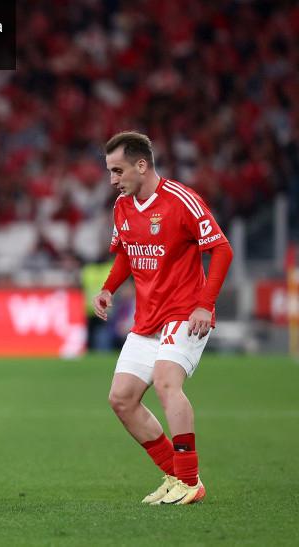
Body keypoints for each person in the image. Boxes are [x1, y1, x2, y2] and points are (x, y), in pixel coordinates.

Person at [94, 131, 233, 505]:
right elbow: (126, 251)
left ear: (142, 165)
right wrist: (108, 287)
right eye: (110, 171)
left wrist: (205, 304)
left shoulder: (182, 201)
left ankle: (190, 481)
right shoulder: (121, 208)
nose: (112, 180)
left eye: (118, 170)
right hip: (148, 317)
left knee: (166, 382)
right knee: (121, 398)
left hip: (186, 312)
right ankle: (175, 476)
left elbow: (221, 250)